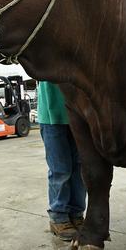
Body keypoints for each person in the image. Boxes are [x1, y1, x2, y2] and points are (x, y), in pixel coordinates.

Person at [37, 81, 86, 241]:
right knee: (60, 170)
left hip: (78, 115)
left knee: (80, 169)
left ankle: (76, 214)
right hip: (52, 117)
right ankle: (59, 217)